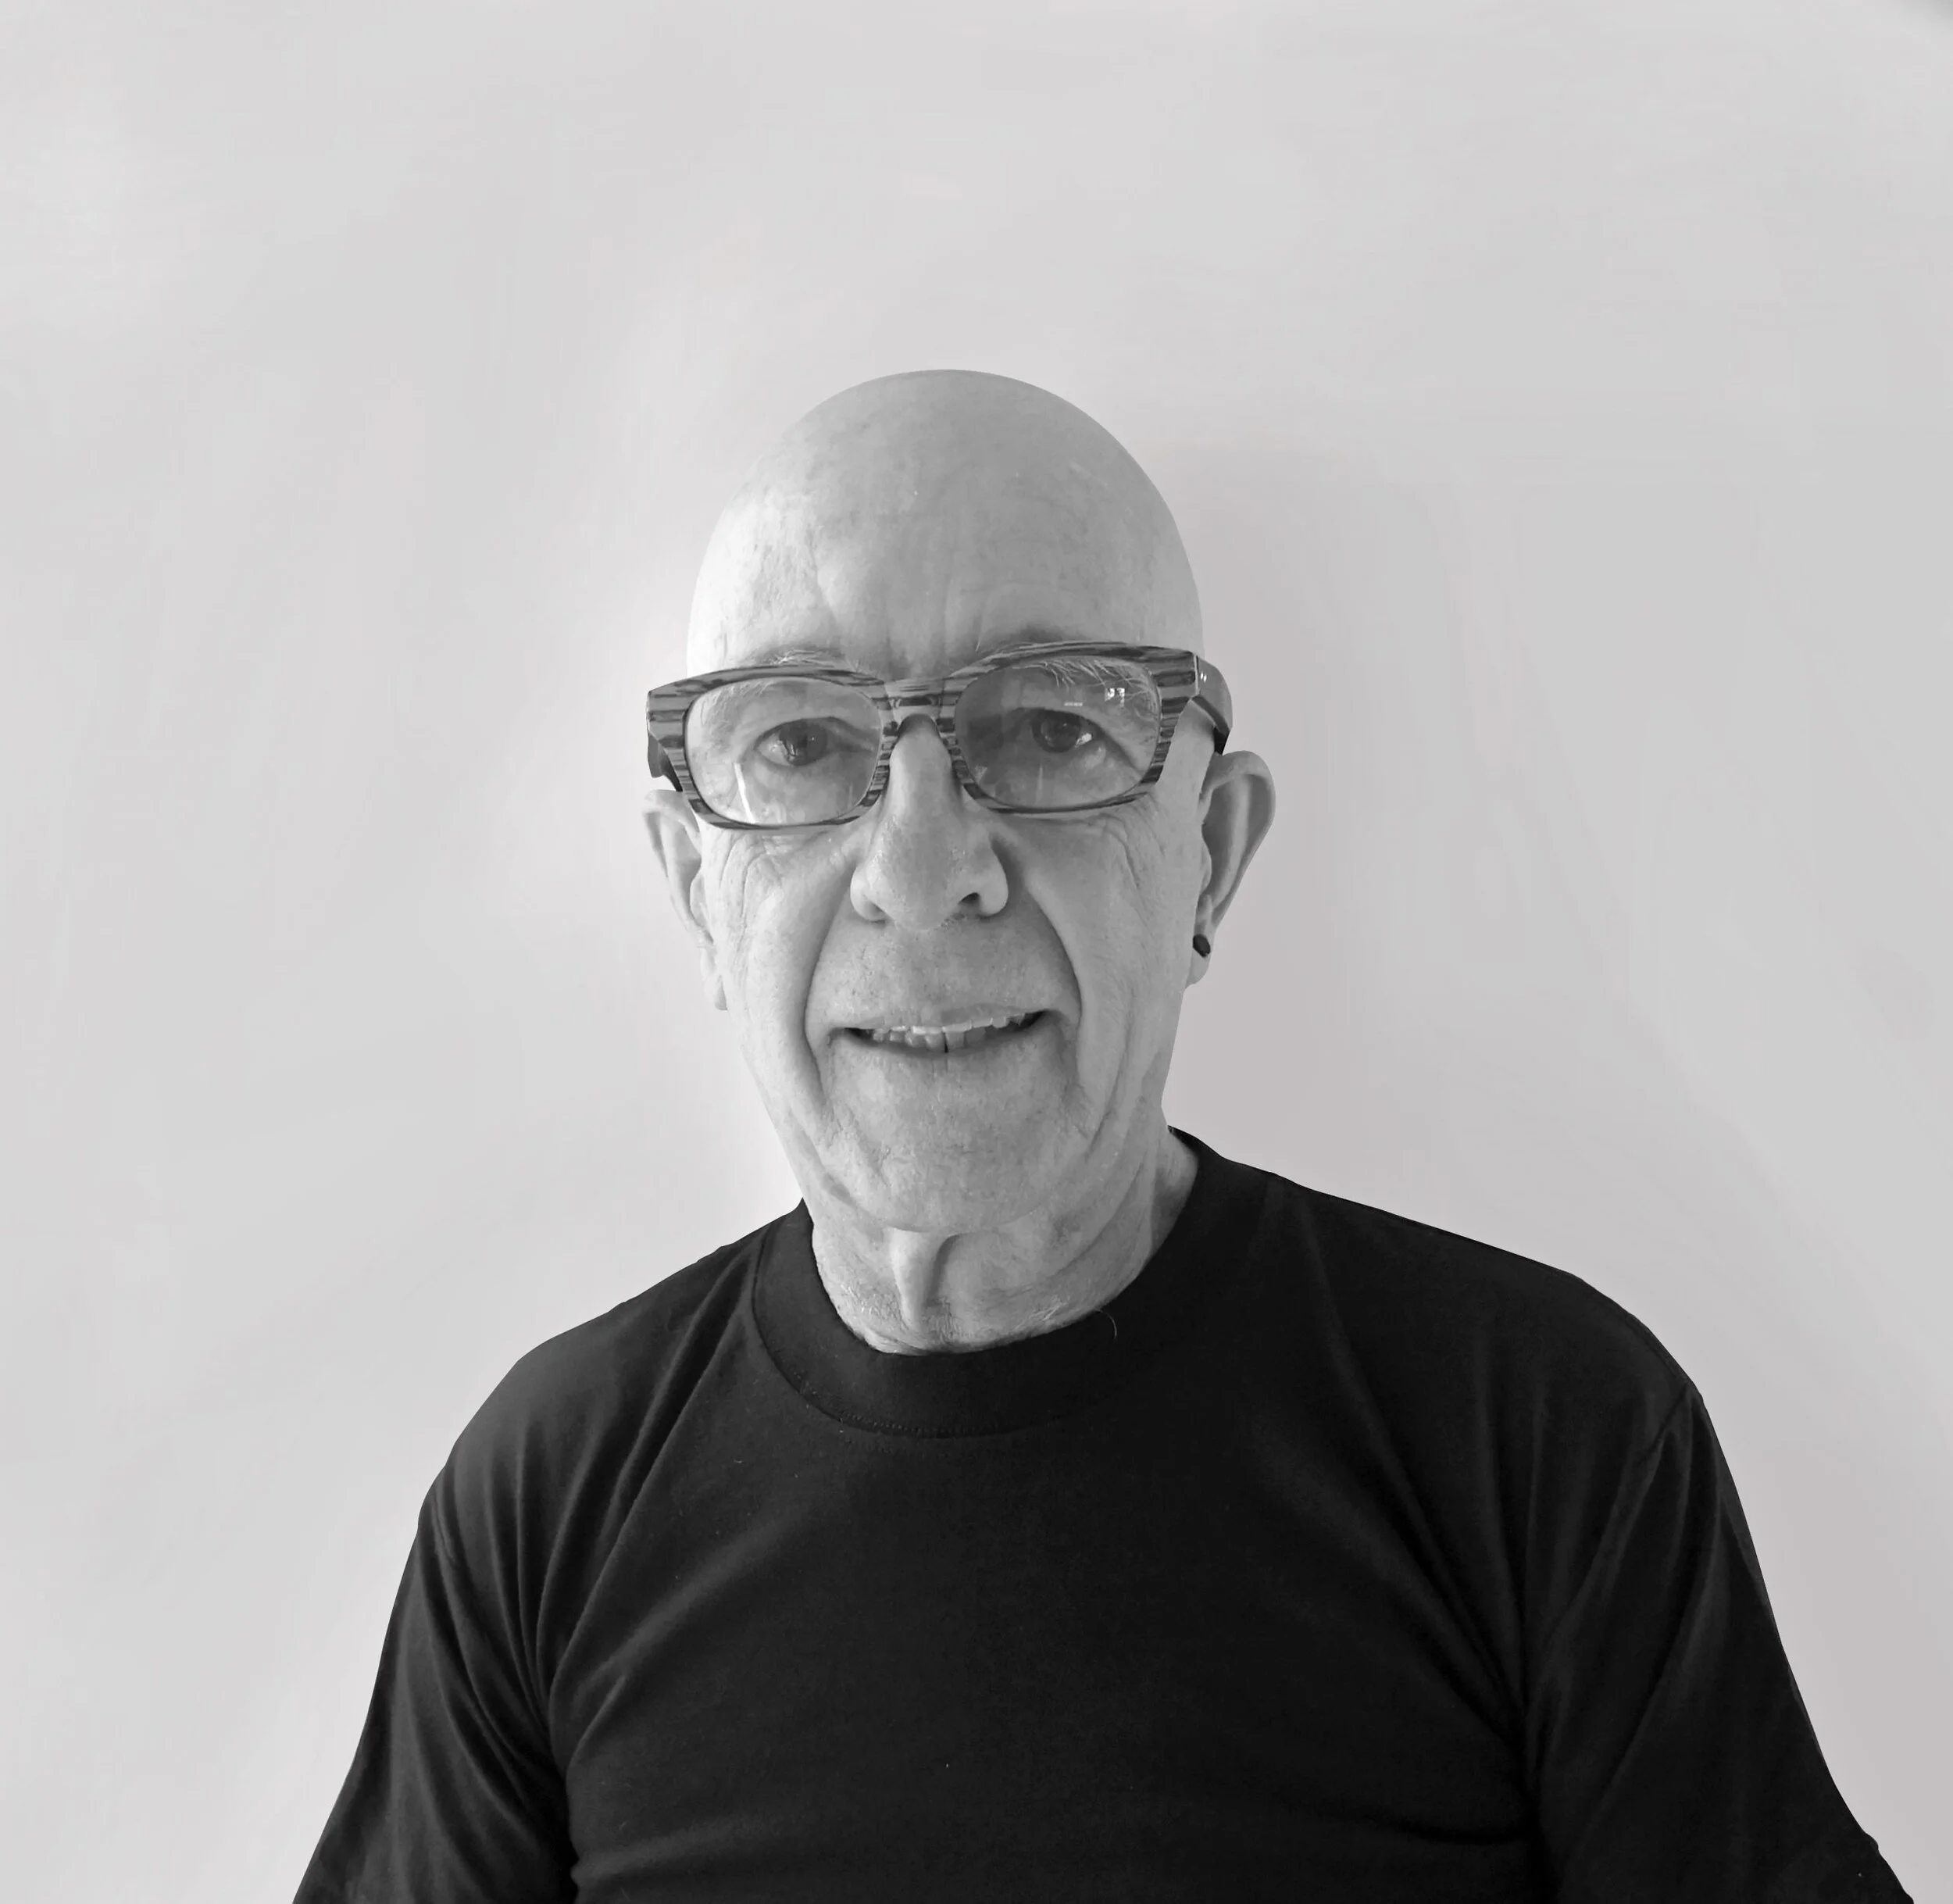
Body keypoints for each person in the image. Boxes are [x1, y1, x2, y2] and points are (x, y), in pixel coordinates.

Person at [296, 370, 1909, 1902]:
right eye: (800, 745)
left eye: (1051, 730)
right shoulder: (545, 1500)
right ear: (694, 892)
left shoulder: (1540, 1440)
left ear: (1210, 855)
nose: (922, 869)